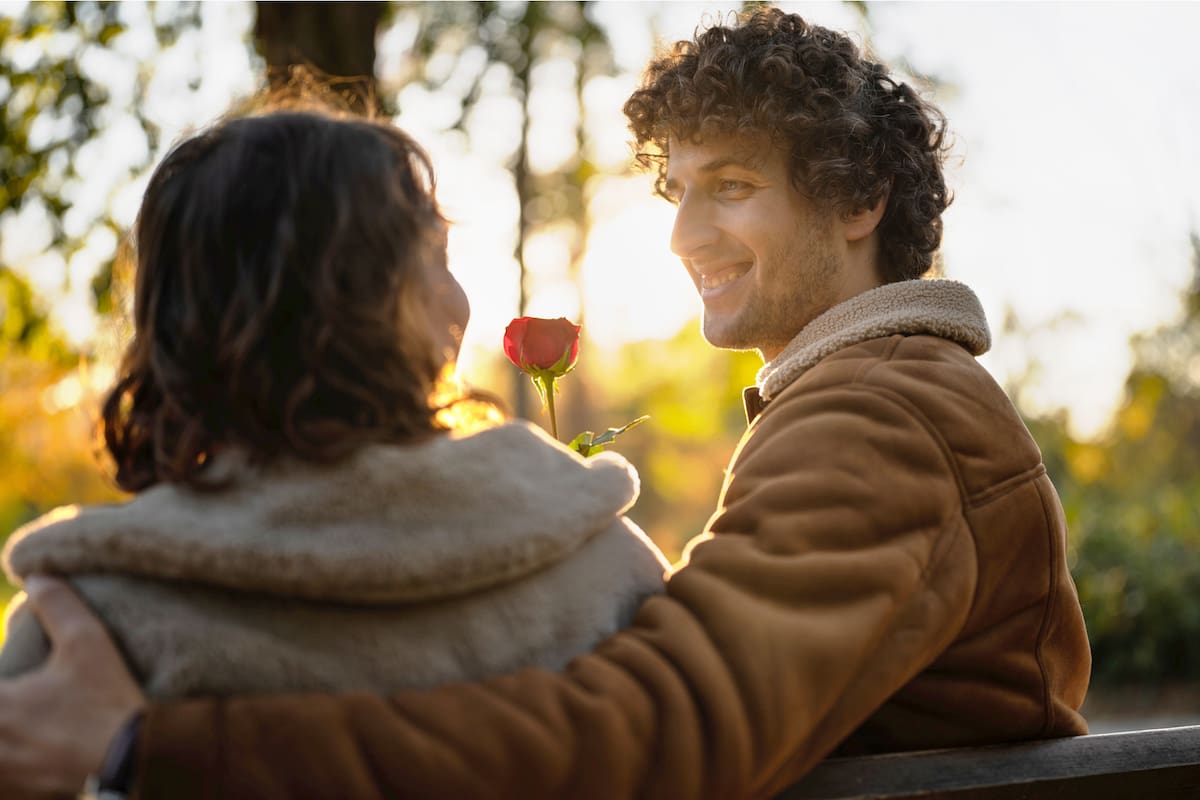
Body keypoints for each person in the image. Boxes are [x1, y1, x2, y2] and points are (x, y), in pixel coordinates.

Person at [0, 7, 1090, 799]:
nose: (681, 234)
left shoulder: (883, 418)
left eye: (735, 186)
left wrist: (154, 748)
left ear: (861, 200)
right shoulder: (877, 398)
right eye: (679, 188)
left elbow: (661, 730)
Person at [0, 103, 666, 751]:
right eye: (434, 254)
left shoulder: (82, 628)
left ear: (176, 322)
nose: (458, 296)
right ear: (413, 310)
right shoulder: (601, 564)